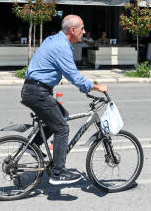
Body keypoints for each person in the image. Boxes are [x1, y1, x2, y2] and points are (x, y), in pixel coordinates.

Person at [21, 15, 108, 185]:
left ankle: (33, 146)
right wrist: (97, 87)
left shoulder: (53, 39)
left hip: (33, 89)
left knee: (61, 115)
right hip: (38, 92)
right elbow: (74, 76)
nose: (84, 32)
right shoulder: (62, 47)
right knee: (62, 128)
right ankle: (58, 173)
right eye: (82, 28)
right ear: (73, 30)